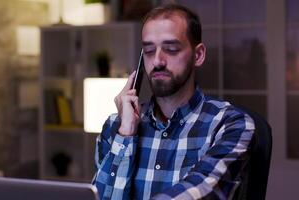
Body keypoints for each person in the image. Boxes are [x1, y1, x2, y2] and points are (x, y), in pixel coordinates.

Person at [93, 4, 255, 200]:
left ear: (198, 55)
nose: (158, 61)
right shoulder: (115, 126)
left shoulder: (230, 124)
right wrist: (125, 135)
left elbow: (200, 192)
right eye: (149, 50)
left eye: (171, 49)